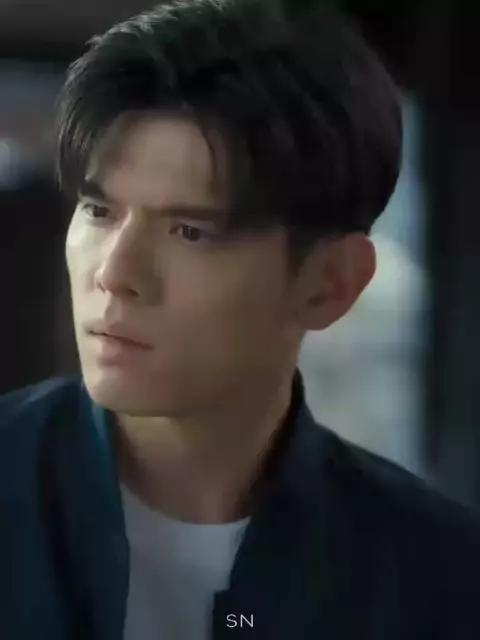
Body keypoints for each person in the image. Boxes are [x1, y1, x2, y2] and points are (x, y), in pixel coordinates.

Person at [1, 1, 479, 639]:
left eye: (190, 230)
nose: (115, 273)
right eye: (98, 211)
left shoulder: (438, 578)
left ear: (329, 283)